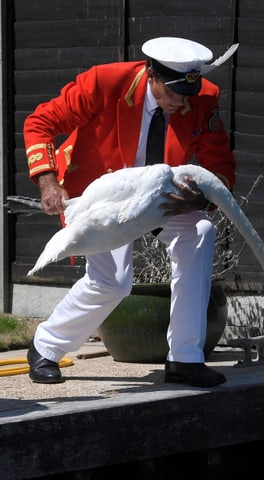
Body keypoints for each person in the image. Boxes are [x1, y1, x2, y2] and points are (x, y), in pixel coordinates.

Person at [22, 37, 237, 387]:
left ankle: (185, 358)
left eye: (189, 93)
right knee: (112, 281)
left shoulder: (202, 97)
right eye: (174, 92)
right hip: (101, 195)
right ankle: (45, 347)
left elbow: (220, 163)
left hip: (160, 197)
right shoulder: (102, 83)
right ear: (151, 75)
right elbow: (39, 123)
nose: (183, 102)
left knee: (199, 231)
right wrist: (47, 182)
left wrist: (201, 200)